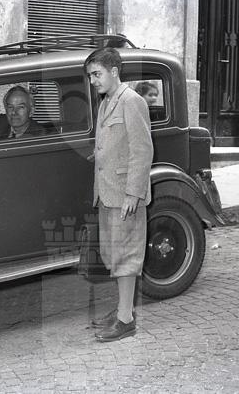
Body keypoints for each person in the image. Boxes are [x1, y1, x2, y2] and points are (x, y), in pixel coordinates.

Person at [84, 47, 153, 342]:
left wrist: (133, 194)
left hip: (125, 196)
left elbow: (142, 150)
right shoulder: (106, 102)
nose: (93, 81)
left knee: (126, 255)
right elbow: (115, 143)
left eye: (97, 74)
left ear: (114, 72)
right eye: (90, 76)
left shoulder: (132, 101)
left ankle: (126, 320)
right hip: (107, 192)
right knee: (113, 254)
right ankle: (124, 309)